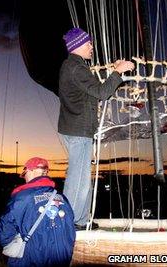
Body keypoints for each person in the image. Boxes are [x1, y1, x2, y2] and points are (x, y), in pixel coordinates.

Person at [58, 27, 134, 230]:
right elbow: (102, 92)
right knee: (78, 178)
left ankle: (81, 220)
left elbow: (92, 89)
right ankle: (70, 222)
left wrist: (113, 72)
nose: (92, 46)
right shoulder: (77, 68)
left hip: (74, 128)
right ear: (78, 46)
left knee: (82, 177)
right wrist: (118, 71)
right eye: (89, 43)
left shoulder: (74, 66)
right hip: (77, 131)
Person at [0, 157, 76, 267]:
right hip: (61, 259)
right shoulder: (63, 198)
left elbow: (3, 234)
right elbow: (71, 229)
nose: (25, 178)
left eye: (25, 174)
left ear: (31, 171)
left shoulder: (21, 198)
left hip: (30, 260)